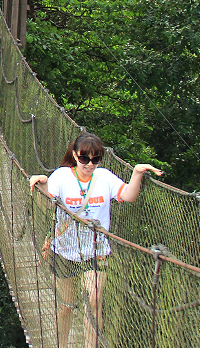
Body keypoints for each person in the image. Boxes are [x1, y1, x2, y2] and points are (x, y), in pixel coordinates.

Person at [28, 132, 162, 348]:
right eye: (84, 159)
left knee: (94, 302)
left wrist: (136, 172)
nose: (89, 164)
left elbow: (128, 195)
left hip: (96, 250)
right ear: (74, 155)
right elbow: (47, 204)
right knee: (66, 307)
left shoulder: (104, 177)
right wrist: (42, 184)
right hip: (64, 251)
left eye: (95, 159)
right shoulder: (62, 176)